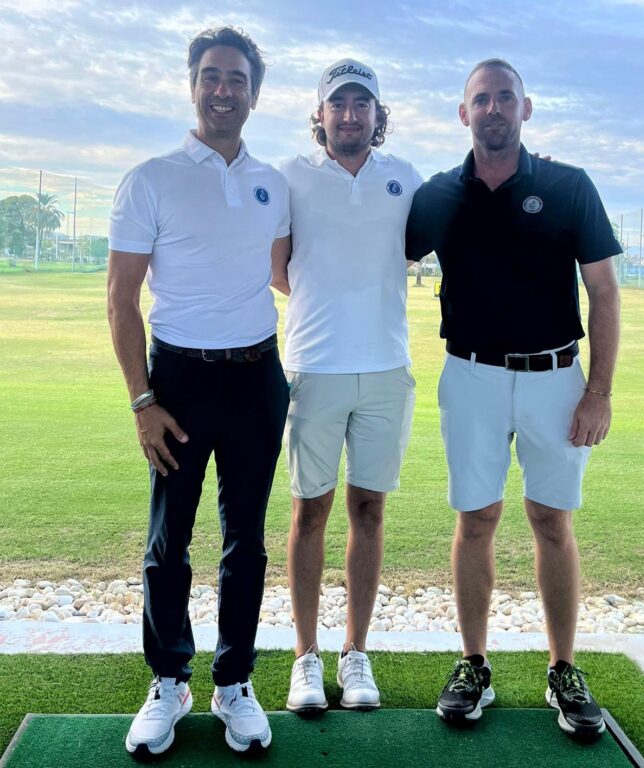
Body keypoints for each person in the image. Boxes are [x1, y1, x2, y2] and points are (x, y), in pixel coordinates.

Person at [405, 58, 621, 738]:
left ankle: (563, 669)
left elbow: (605, 292)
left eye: (505, 98)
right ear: (462, 113)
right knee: (476, 519)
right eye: (481, 99)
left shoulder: (568, 185)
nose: (493, 108)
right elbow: (376, 253)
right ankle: (474, 664)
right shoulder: (438, 194)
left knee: (552, 522)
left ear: (526, 109)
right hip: (469, 376)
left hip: (556, 377)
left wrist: (599, 392)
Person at [107, 27, 290, 757]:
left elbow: (283, 274)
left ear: (254, 92)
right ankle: (169, 681)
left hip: (257, 377)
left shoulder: (272, 182)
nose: (223, 90)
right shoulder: (150, 177)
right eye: (211, 77)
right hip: (177, 380)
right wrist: (143, 400)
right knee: (168, 541)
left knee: (246, 539)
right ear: (192, 84)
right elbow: (121, 299)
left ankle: (233, 682)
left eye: (237, 79)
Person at [271, 59, 421, 714]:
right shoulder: (290, 177)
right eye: (340, 104)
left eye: (363, 104)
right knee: (310, 512)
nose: (351, 114)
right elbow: (279, 271)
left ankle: (355, 655)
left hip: (387, 369)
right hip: (314, 368)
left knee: (370, 511)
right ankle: (305, 660)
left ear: (377, 115)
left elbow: (415, 251)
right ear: (322, 113)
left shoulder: (405, 178)